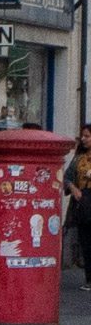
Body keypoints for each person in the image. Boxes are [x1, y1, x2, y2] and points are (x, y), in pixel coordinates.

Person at [64, 124, 91, 290]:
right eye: (83, 136)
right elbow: (67, 177)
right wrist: (73, 189)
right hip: (84, 203)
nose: (83, 139)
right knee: (86, 242)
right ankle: (89, 279)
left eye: (87, 136)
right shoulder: (78, 158)